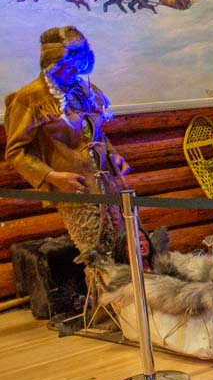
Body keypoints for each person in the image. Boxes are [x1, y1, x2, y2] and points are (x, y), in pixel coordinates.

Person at [4, 26, 130, 255]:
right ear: (51, 63)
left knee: (124, 247)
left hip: (105, 181)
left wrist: (113, 155)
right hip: (75, 189)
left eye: (79, 64)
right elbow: (15, 152)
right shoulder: (30, 98)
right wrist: (53, 177)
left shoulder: (85, 90)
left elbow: (94, 131)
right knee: (98, 255)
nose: (74, 70)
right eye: (67, 65)